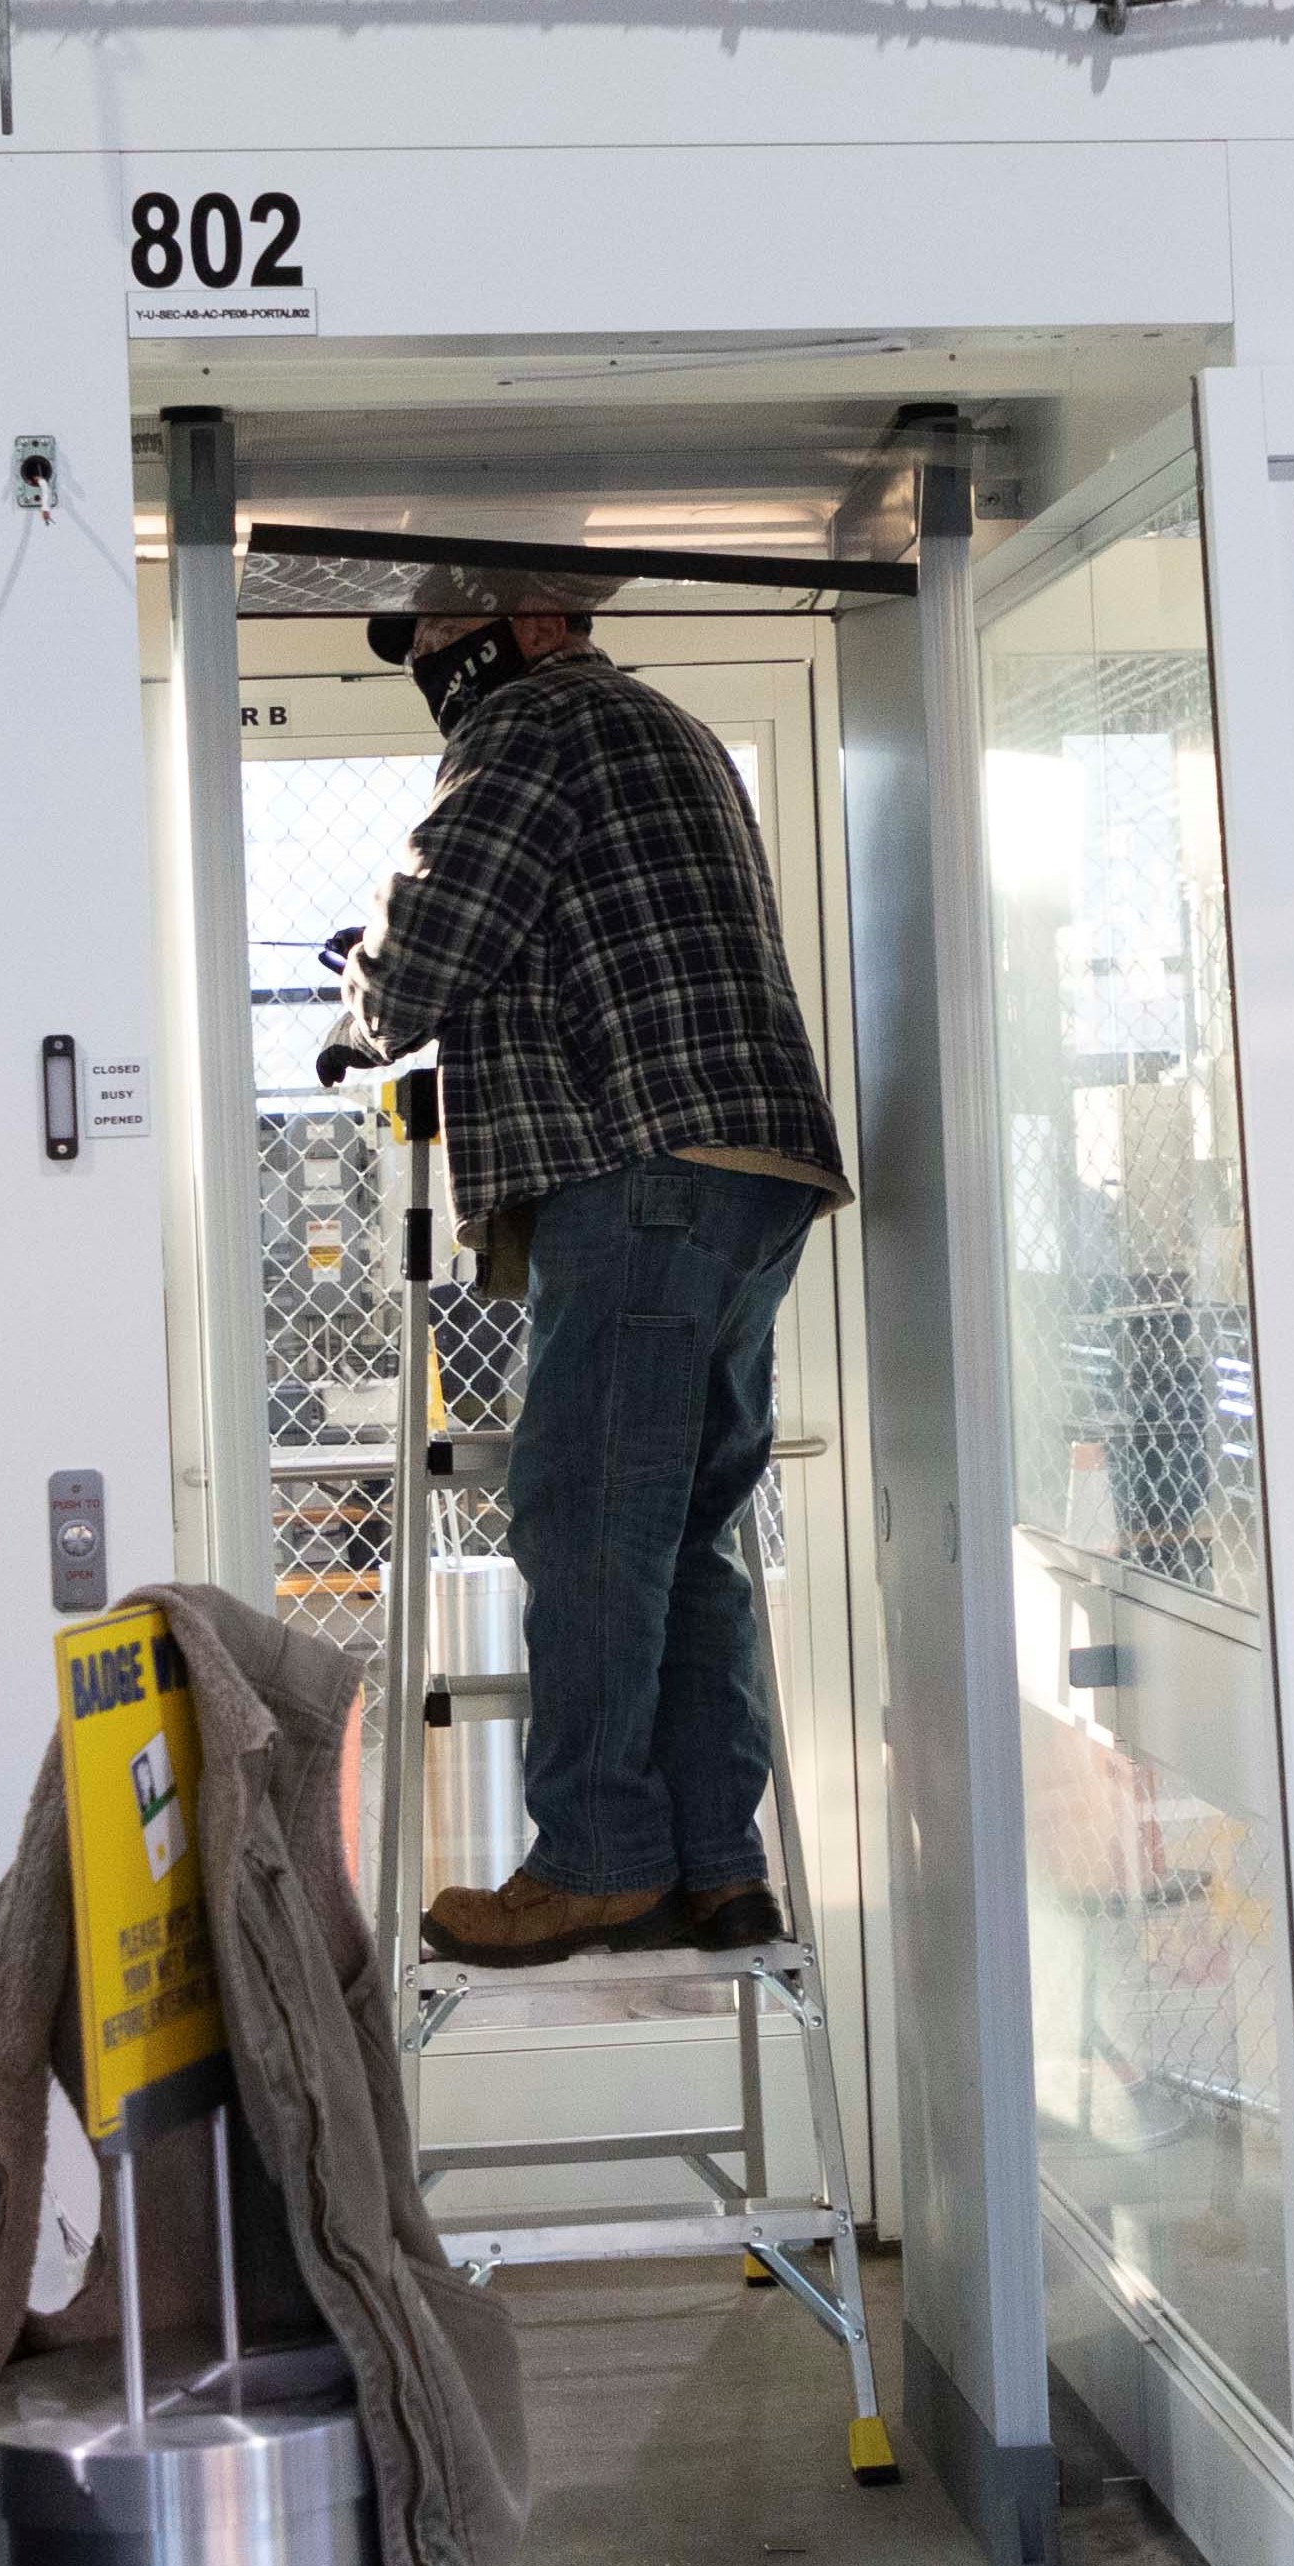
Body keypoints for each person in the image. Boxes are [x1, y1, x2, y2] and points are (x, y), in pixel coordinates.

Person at [325, 565, 850, 1969]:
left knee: (580, 1520)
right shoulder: (664, 729)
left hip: (643, 1166)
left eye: (438, 634)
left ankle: (594, 1856)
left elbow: (428, 938)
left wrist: (351, 1003)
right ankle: (711, 1863)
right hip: (747, 1169)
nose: (429, 664)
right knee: (681, 1532)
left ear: (532, 621)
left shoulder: (526, 723)